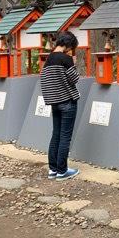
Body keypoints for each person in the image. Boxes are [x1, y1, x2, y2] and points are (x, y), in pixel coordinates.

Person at [41, 31, 81, 181]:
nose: (71, 51)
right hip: (67, 102)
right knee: (65, 136)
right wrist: (73, 63)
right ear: (68, 45)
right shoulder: (66, 59)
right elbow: (75, 79)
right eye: (71, 48)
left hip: (54, 102)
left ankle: (53, 169)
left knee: (56, 134)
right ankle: (62, 171)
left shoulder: (49, 58)